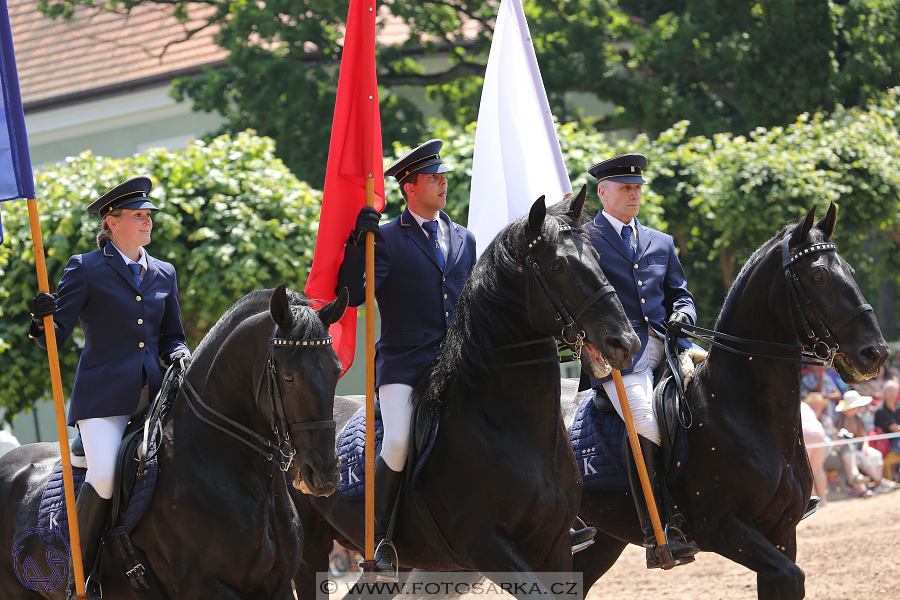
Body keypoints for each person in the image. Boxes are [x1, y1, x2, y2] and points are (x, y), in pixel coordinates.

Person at [29, 177, 189, 597]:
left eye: (149, 215)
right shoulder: (86, 267)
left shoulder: (164, 272)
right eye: (139, 215)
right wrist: (41, 319)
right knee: (102, 476)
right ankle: (80, 575)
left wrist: (179, 353)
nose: (147, 221)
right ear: (112, 221)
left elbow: (172, 334)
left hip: (156, 395)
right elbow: (53, 336)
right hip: (103, 399)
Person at [336, 140, 477, 572]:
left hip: (458, 363)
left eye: (443, 177)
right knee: (397, 440)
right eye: (433, 178)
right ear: (409, 188)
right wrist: (358, 246)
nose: (443, 183)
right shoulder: (389, 239)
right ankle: (380, 537)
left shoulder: (465, 238)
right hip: (405, 363)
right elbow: (354, 294)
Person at [580, 153, 699, 567]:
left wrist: (684, 314)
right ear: (603, 192)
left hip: (668, 348)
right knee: (647, 422)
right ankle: (657, 528)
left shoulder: (661, 241)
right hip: (618, 359)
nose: (634, 193)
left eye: (637, 188)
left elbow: (680, 293)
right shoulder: (585, 240)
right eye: (625, 188)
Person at [833, 391, 897, 495]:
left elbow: (864, 435)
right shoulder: (839, 419)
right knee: (862, 458)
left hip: (859, 447)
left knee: (876, 455)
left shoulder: (858, 417)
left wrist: (865, 446)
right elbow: (838, 439)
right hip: (847, 450)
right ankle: (880, 482)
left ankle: (878, 485)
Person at [801, 393, 830, 507]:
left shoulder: (794, 405)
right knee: (818, 469)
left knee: (806, 470)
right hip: (818, 431)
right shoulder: (806, 407)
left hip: (805, 433)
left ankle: (813, 502)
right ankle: (824, 500)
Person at [874, 379, 900, 479]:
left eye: (894, 390)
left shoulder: (899, 406)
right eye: (889, 390)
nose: (892, 393)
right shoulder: (880, 410)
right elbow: (894, 428)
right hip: (886, 444)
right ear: (884, 392)